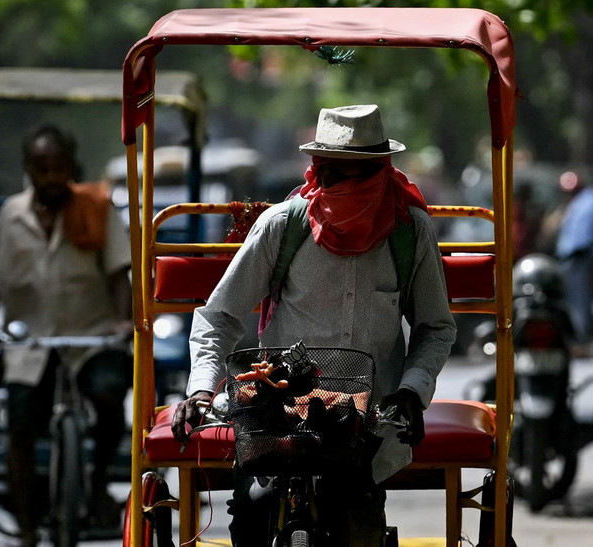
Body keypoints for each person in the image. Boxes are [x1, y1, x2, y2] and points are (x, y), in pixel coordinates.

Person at [170, 105, 456, 546]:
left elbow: (435, 327)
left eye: (359, 175)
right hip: (277, 419)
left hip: (368, 424)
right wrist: (202, 388)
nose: (342, 188)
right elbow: (218, 317)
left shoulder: (410, 231)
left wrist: (412, 392)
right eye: (332, 175)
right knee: (253, 517)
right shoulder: (282, 226)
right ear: (317, 173)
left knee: (359, 525)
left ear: (382, 171)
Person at [0, 124, 133, 546]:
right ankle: (28, 527)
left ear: (70, 168)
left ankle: (98, 481)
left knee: (109, 395)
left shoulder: (97, 207)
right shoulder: (11, 215)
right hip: (30, 343)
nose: (49, 178)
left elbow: (120, 273)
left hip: (93, 335)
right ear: (29, 169)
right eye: (41, 169)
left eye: (57, 168)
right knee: (21, 427)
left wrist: (123, 323)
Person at [554, 170, 593, 354]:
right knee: (570, 302)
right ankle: (575, 339)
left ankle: (582, 341)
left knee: (581, 302)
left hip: (583, 258)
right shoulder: (572, 205)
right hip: (569, 260)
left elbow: (586, 234)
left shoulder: (591, 200)